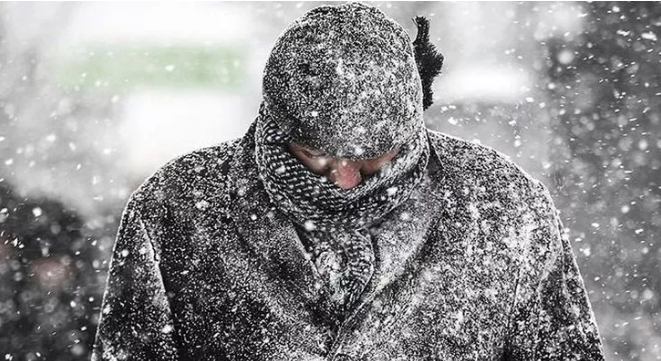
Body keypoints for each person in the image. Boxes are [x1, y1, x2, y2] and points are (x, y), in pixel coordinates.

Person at [92, 3, 606, 360]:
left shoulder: (504, 210)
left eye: (373, 158)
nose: (344, 181)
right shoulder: (177, 210)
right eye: (315, 154)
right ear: (275, 126)